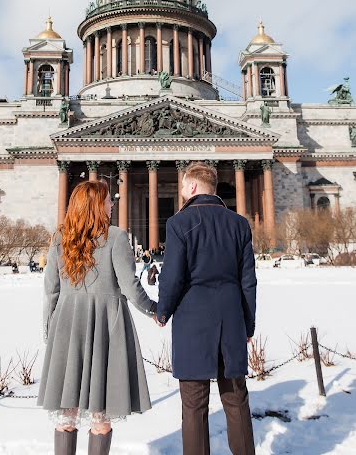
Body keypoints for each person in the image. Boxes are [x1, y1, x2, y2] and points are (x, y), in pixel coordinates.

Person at [38, 180, 157, 455]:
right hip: (106, 326)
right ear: (95, 206)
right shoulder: (116, 237)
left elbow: (50, 292)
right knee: (100, 417)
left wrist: (49, 330)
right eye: (107, 201)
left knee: (67, 415)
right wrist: (153, 309)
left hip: (66, 327)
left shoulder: (60, 238)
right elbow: (129, 286)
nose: (112, 204)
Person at [157, 161, 257, 455]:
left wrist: (163, 311)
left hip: (192, 323)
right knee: (236, 399)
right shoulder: (239, 224)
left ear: (191, 187)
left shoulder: (178, 223)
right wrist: (247, 325)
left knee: (194, 405)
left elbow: (172, 277)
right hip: (231, 321)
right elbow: (248, 281)